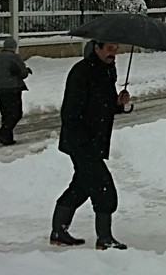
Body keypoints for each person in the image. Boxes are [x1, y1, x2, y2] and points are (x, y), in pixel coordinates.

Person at [51, 41, 132, 250]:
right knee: (104, 189)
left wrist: (117, 104)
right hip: (82, 143)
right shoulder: (82, 72)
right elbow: (70, 112)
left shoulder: (106, 71)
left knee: (82, 186)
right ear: (97, 48)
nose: (113, 53)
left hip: (94, 142)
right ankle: (104, 239)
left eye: (116, 49)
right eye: (109, 49)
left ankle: (59, 231)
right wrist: (83, 140)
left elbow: (101, 106)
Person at [0, 37, 32, 146]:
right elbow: (22, 73)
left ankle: (7, 139)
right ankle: (2, 132)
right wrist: (26, 70)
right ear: (14, 47)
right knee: (16, 113)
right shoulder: (14, 57)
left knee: (6, 114)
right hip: (12, 89)